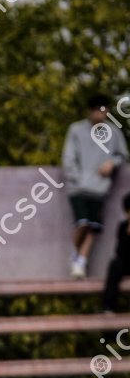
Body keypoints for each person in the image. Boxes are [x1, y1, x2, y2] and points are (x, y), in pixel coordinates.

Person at [62, 94, 128, 279]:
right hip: (79, 188)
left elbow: (122, 155)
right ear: (90, 111)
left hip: (100, 189)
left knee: (93, 227)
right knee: (82, 223)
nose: (100, 114)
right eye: (97, 109)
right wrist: (77, 179)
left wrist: (112, 163)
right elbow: (68, 158)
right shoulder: (76, 130)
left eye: (104, 110)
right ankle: (75, 255)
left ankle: (80, 263)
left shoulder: (114, 132)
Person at [102, 192, 130, 311]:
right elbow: (119, 252)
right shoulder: (123, 226)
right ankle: (108, 307)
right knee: (115, 264)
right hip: (126, 263)